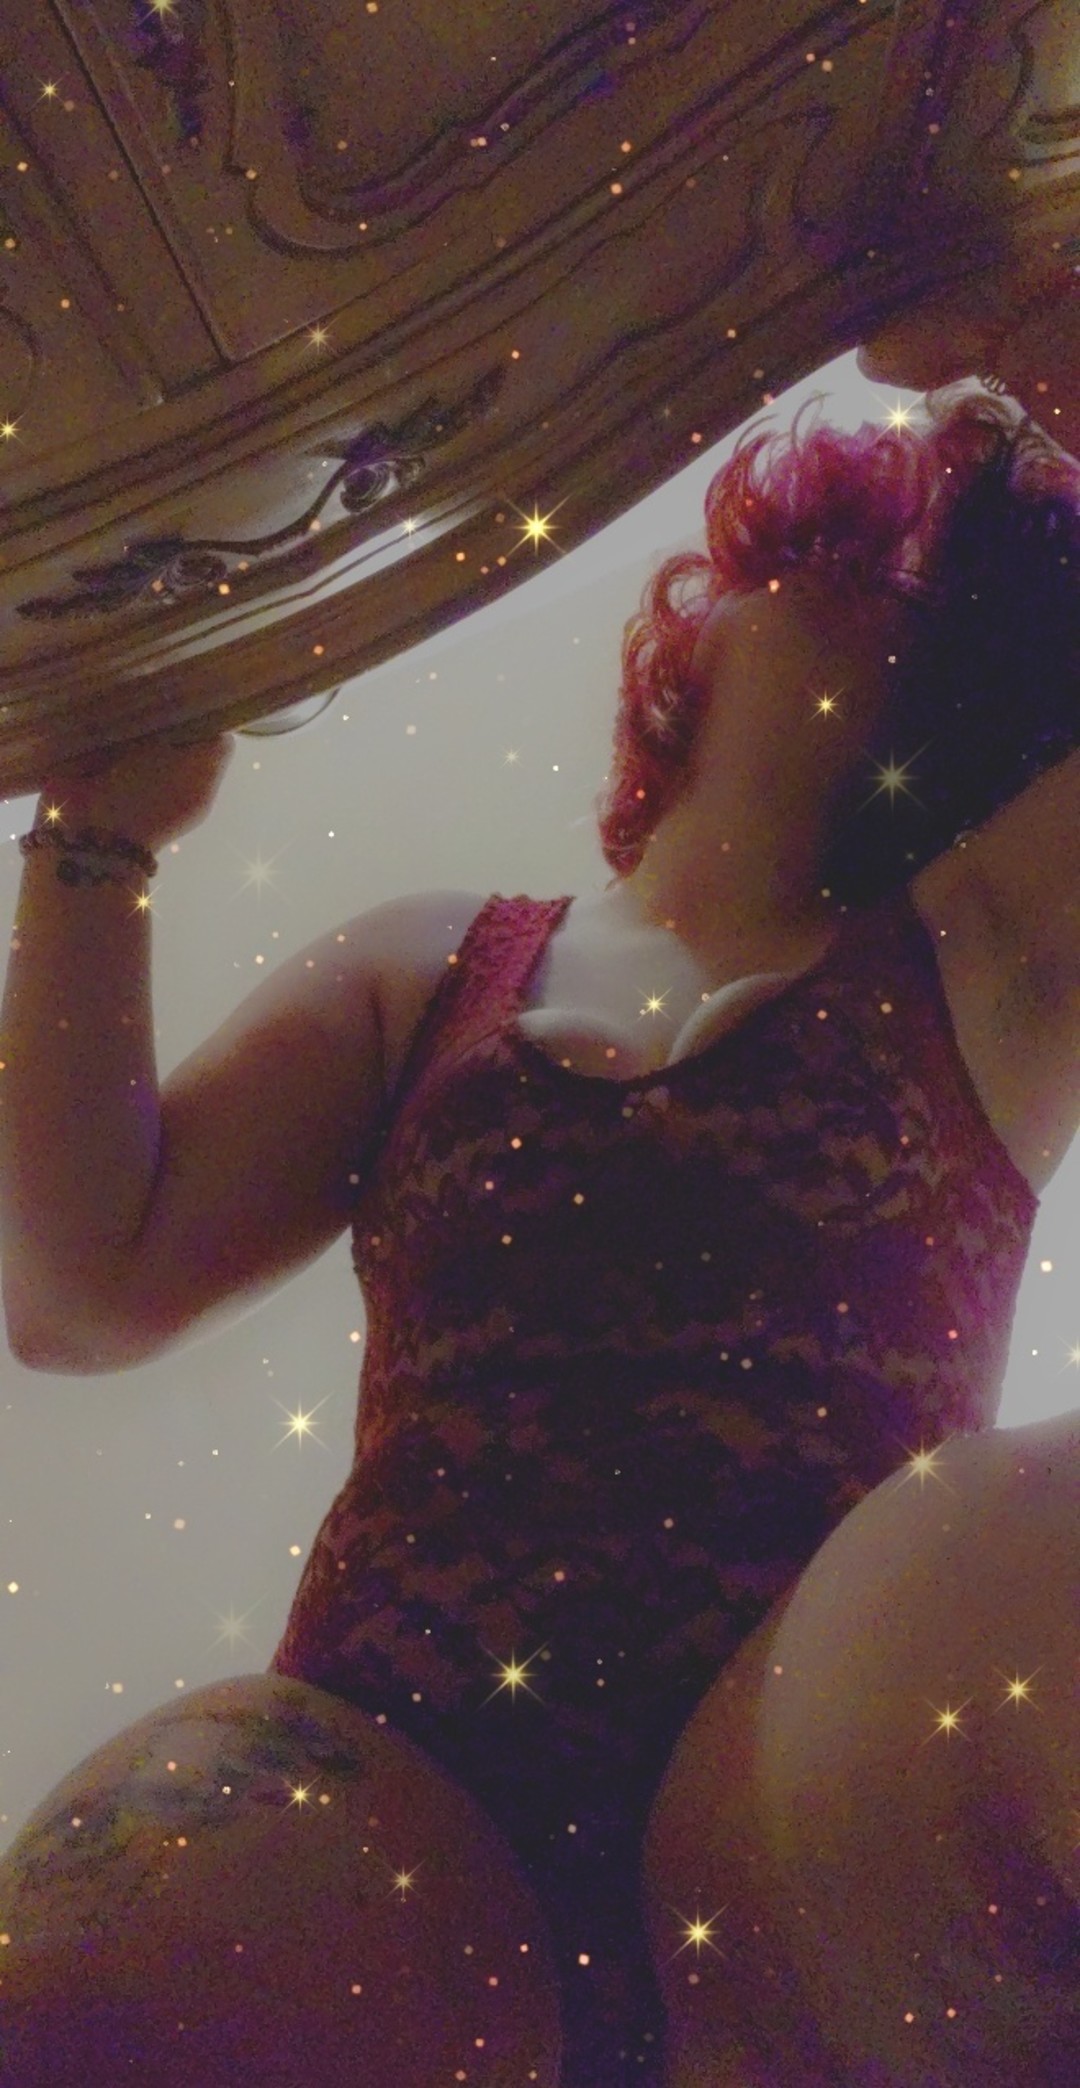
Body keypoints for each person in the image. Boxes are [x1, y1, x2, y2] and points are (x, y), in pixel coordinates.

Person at [0, 278, 1076, 2085]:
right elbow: (81, 1285)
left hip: (790, 1835)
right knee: (125, 1937)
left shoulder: (991, 955)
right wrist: (96, 838)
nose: (877, 577)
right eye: (835, 540)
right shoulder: (434, 972)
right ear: (707, 619)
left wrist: (1048, 365)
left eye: (925, 566)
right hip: (387, 1832)